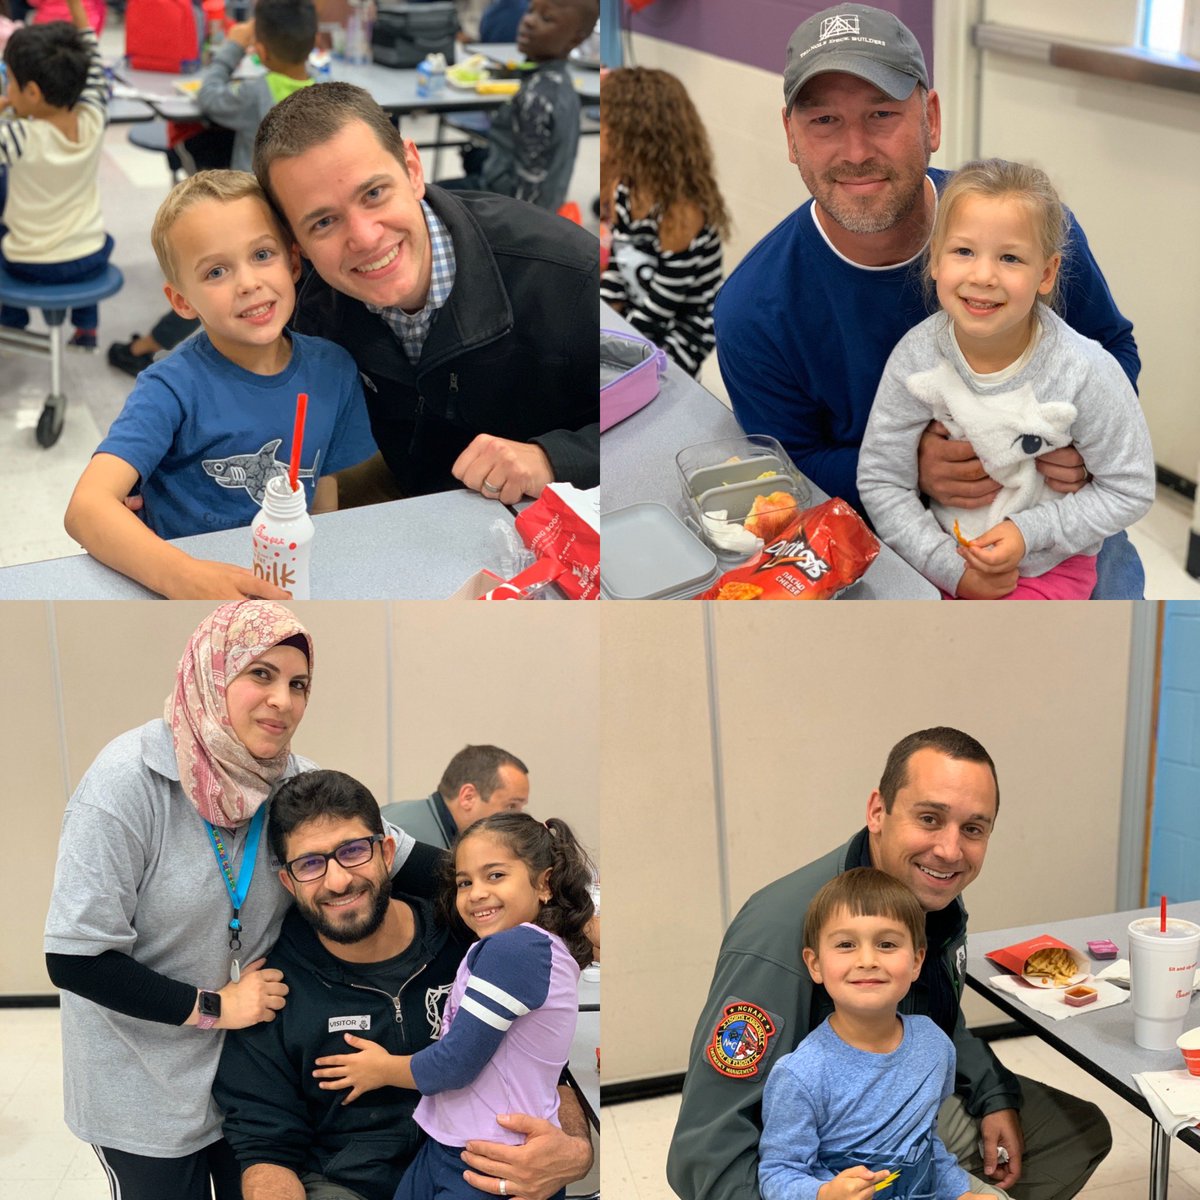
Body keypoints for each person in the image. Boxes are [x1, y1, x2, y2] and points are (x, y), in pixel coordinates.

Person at [712, 3, 1145, 598]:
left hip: (1060, 525)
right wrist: (910, 471)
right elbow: (790, 469)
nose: (856, 149)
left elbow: (1113, 348)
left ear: (931, 119)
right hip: (889, 537)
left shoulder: (1034, 231)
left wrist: (1081, 450)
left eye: (882, 114)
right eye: (825, 121)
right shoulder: (753, 312)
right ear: (791, 136)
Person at [41, 602, 424, 1200]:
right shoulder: (127, 784)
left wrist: (538, 893)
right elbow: (75, 959)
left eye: (299, 684)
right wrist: (218, 1006)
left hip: (246, 1082)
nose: (284, 701)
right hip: (144, 1087)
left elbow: (404, 861)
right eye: (261, 675)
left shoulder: (291, 780)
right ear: (211, 673)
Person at [667, 727, 1111, 1200]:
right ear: (878, 811)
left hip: (901, 1112)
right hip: (808, 1155)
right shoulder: (780, 934)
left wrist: (992, 1094)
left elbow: (934, 1015)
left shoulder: (931, 901)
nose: (949, 851)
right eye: (929, 818)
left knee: (1077, 1132)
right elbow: (706, 1153)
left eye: (973, 829)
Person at [214, 773, 596, 1200]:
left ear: (387, 852)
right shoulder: (270, 989)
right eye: (309, 864)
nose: (338, 881)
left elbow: (544, 1064)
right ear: (288, 881)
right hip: (346, 1185)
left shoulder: (474, 935)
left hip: (483, 1170)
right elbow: (266, 1151)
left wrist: (572, 1150)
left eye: (353, 851)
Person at [252, 81, 598, 508]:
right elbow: (212, 370)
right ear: (296, 244)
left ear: (413, 169)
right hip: (404, 500)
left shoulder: (565, 273)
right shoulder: (299, 295)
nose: (364, 238)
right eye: (323, 222)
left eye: (374, 194)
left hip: (539, 520)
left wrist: (554, 457)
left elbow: (656, 415)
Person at [64, 169, 376, 600]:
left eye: (262, 255)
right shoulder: (168, 388)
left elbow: (322, 493)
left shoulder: (334, 370)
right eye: (216, 272)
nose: (248, 283)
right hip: (184, 594)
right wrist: (186, 578)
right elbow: (86, 508)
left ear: (293, 261)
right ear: (181, 302)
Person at [858, 158, 1154, 600]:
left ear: (1047, 273)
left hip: (1049, 566)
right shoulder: (916, 357)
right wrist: (949, 568)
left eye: (1010, 257)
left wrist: (1028, 532)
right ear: (935, 258)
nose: (983, 276)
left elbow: (1130, 488)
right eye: (963, 252)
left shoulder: (1085, 371)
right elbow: (882, 481)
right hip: (939, 557)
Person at [306, 811, 594, 1200]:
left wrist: (380, 1069)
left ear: (544, 883)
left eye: (495, 875)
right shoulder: (519, 947)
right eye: (464, 881)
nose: (476, 893)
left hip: (491, 1163)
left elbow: (456, 1063)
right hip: (454, 1145)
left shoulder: (517, 950)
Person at [759, 868, 986, 1200]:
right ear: (815, 964)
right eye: (846, 944)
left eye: (887, 944)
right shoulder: (800, 1075)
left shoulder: (934, 1045)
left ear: (916, 961)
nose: (867, 960)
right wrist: (824, 1194)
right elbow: (778, 1173)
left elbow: (926, 1141)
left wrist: (960, 1192)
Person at [599, 67, 728, 378]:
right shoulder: (624, 188)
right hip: (640, 313)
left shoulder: (681, 211)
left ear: (633, 133)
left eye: (605, 121)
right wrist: (600, 314)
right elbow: (618, 264)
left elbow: (661, 309)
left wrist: (612, 343)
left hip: (682, 332)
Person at [0, 0, 112, 348]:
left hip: (30, 263)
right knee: (91, 239)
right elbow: (91, 55)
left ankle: (13, 320)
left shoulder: (17, 136)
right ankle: (86, 328)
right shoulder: (94, 116)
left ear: (32, 92)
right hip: (89, 255)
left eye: (10, 83)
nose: (7, 90)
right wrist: (77, 7)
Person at [441, 0, 597, 213]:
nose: (529, 21)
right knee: (474, 155)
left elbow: (527, 196)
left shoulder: (537, 98)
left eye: (546, 18)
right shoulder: (557, 82)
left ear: (575, 38)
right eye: (531, 11)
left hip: (504, 208)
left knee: (423, 195)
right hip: (513, 189)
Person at [198, 0, 317, 174]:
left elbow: (208, 96)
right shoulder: (327, 90)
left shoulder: (255, 93)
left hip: (255, 196)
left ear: (261, 51)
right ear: (313, 42)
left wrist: (233, 47)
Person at [381, 744, 531, 848]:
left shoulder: (408, 821)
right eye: (511, 806)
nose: (518, 818)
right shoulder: (408, 841)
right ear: (468, 797)